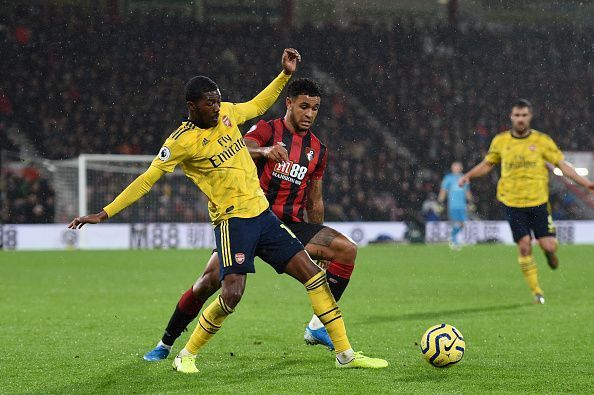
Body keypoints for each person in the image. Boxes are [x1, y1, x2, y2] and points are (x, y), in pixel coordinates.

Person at [69, 49, 387, 372]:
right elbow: (146, 180)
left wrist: (285, 75)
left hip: (263, 216)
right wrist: (104, 213)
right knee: (226, 291)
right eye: (210, 102)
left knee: (314, 277)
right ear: (192, 106)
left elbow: (258, 104)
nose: (218, 107)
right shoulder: (181, 142)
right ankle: (180, 351)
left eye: (219, 100)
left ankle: (345, 355)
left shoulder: (227, 116)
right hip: (232, 222)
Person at [143, 78, 359, 362]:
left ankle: (318, 327)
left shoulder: (317, 148)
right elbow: (240, 146)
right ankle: (165, 343)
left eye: (315, 109)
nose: (309, 114)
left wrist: (317, 234)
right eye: (304, 106)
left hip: (288, 226)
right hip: (247, 220)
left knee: (346, 249)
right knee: (207, 283)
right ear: (289, 103)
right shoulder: (268, 129)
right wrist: (266, 152)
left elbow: (314, 199)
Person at [459, 99, 594, 304]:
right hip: (512, 202)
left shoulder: (542, 141)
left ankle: (549, 254)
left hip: (538, 201)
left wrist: (586, 184)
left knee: (549, 246)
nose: (520, 119)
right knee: (523, 245)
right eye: (517, 115)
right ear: (511, 117)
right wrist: (469, 175)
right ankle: (537, 292)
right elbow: (488, 164)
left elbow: (562, 165)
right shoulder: (501, 141)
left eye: (524, 115)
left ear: (530, 117)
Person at [438, 162, 472, 250]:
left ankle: (452, 237)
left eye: (457, 167)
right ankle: (454, 242)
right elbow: (443, 190)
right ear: (452, 168)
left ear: (461, 168)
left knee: (463, 224)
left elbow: (467, 191)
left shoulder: (464, 177)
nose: (456, 168)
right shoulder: (448, 178)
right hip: (453, 206)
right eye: (454, 167)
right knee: (455, 223)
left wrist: (470, 202)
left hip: (463, 206)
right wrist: (440, 202)